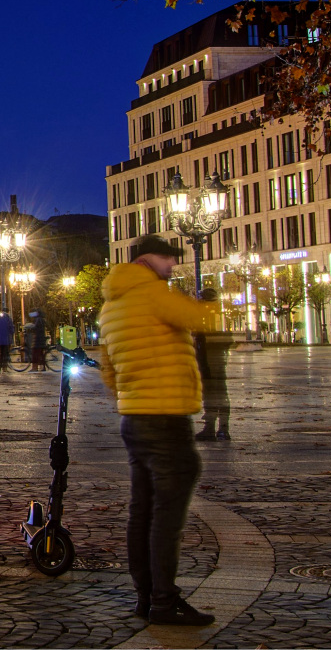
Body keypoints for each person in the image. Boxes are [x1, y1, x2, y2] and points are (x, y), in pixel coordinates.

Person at [97, 234, 220, 627]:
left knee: (143, 509)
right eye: (169, 258)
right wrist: (215, 301)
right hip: (166, 416)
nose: (173, 265)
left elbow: (108, 370)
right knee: (168, 512)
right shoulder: (151, 293)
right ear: (148, 259)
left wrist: (132, 396)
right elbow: (203, 319)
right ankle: (164, 602)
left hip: (134, 417)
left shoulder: (110, 306)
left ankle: (145, 596)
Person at [193, 333, 232, 441]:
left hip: (211, 352)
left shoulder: (209, 321)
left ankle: (214, 427)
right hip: (215, 351)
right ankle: (221, 428)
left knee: (213, 392)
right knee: (219, 391)